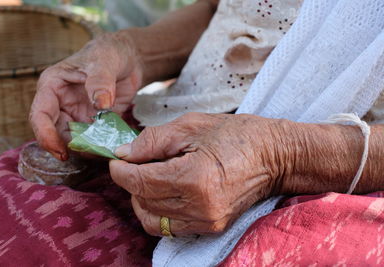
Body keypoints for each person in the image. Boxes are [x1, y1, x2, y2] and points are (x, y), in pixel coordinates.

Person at [27, 0, 384, 264]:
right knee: (25, 222)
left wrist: (280, 156)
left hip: (348, 167)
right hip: (183, 120)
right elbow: (226, 9)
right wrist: (132, 52)